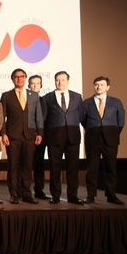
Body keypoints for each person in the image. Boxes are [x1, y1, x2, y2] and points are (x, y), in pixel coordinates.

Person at [0, 68, 43, 204]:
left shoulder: (34, 95)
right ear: (13, 79)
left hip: (29, 135)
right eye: (16, 77)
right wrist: (3, 133)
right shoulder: (6, 96)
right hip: (13, 136)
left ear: (25, 78)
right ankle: (14, 193)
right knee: (13, 166)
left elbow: (39, 116)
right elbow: (2, 117)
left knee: (27, 165)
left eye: (22, 76)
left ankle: (26, 193)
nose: (19, 79)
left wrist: (40, 133)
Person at [80, 76, 125, 205]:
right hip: (92, 140)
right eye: (96, 85)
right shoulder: (86, 103)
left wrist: (111, 133)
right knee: (91, 169)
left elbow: (121, 121)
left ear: (108, 87)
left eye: (102, 84)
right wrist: (93, 130)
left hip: (110, 140)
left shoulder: (116, 102)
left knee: (110, 168)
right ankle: (91, 195)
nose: (99, 87)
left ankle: (111, 195)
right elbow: (83, 120)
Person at [43, 71, 83, 204]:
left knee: (73, 168)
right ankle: (55, 195)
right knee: (55, 168)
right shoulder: (47, 98)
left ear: (68, 81)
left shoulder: (77, 97)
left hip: (73, 137)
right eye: (58, 80)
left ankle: (73, 196)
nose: (60, 82)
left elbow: (81, 116)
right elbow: (44, 119)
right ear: (54, 81)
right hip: (54, 137)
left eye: (63, 80)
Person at [28, 75, 49, 199]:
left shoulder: (43, 100)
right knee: (24, 164)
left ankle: (39, 189)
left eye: (37, 83)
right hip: (26, 136)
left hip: (40, 136)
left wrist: (38, 132)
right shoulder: (23, 100)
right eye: (32, 83)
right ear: (28, 85)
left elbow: (44, 117)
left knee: (39, 163)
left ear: (41, 86)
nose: (35, 86)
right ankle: (22, 189)